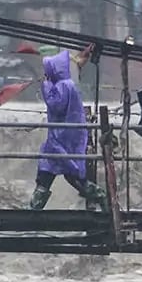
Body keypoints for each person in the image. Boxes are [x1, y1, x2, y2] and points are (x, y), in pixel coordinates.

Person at [30, 50, 107, 211]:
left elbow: (56, 105)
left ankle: (101, 197)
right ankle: (34, 208)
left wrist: (46, 86)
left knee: (70, 174)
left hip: (64, 138)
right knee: (48, 171)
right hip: (61, 137)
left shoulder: (64, 85)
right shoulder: (65, 84)